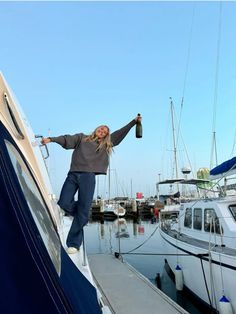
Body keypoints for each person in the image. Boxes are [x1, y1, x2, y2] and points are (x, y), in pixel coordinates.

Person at [41, 115, 142, 254]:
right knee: (64, 203)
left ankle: (73, 243)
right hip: (73, 174)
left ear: (106, 136)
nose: (102, 131)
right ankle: (82, 214)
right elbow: (67, 139)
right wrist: (52, 139)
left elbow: (120, 133)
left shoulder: (106, 144)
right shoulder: (82, 138)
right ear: (96, 129)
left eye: (105, 131)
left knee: (83, 209)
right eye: (101, 128)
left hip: (88, 176)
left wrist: (133, 122)